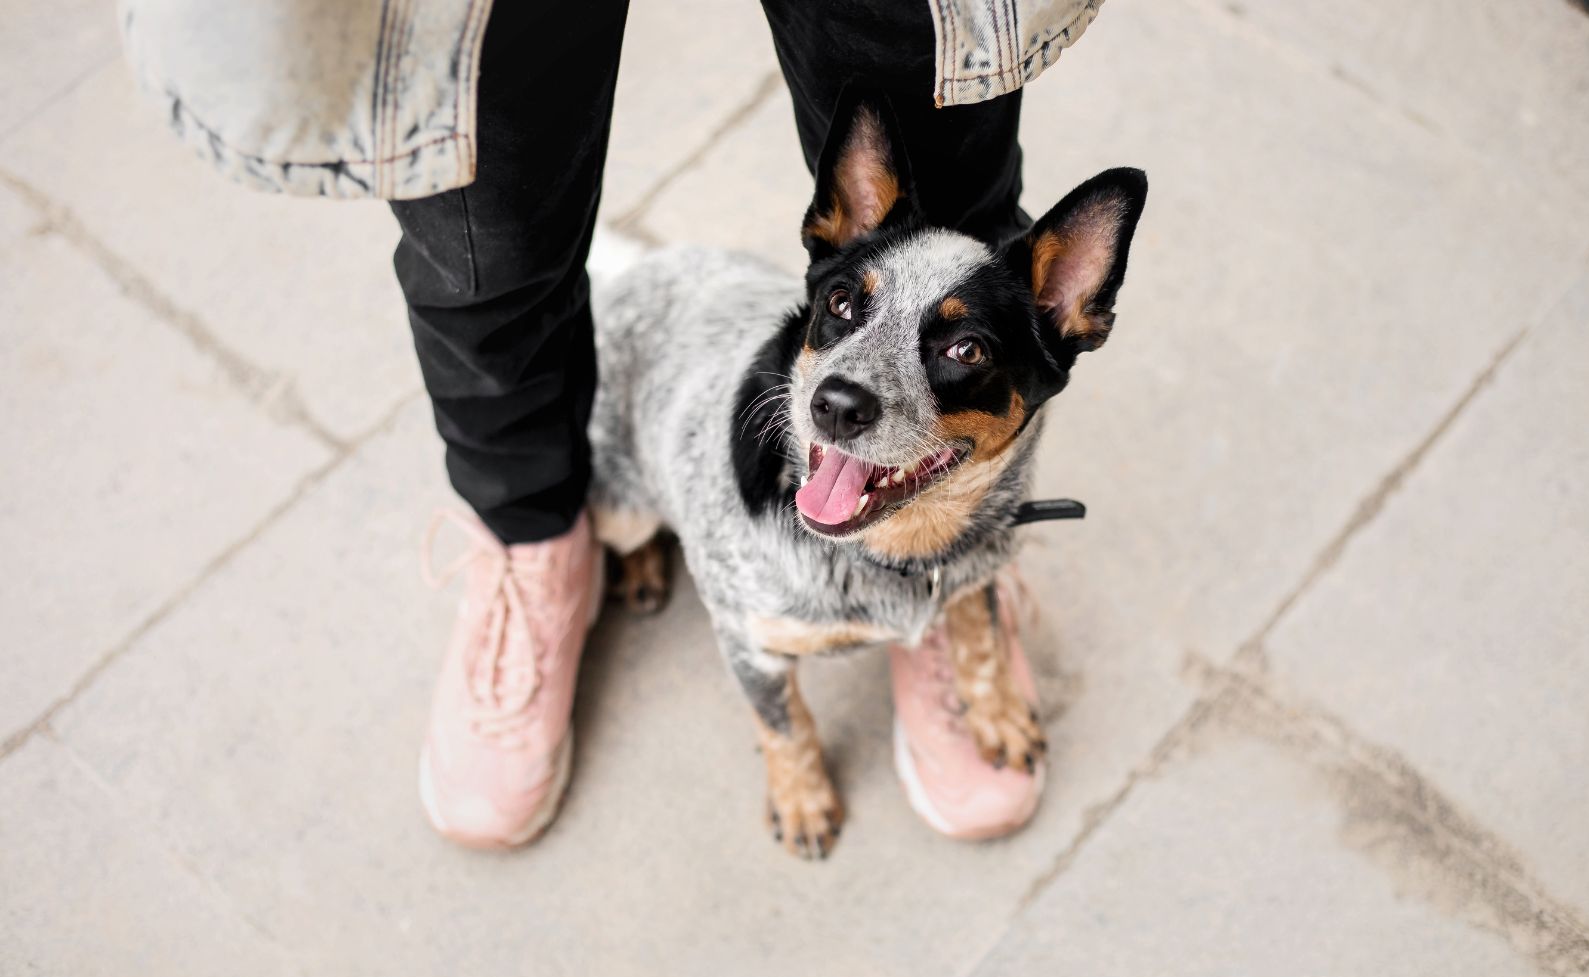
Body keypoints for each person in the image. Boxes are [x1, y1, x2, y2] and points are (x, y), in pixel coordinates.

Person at [121, 0, 1108, 848]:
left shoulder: (1026, 331)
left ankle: (954, 612)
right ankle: (541, 546)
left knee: (930, 90)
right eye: (846, 309)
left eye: (967, 352)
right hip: (657, 443)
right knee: (471, 182)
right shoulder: (763, 526)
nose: (845, 393)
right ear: (826, 251)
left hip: (916, 455)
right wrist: (790, 759)